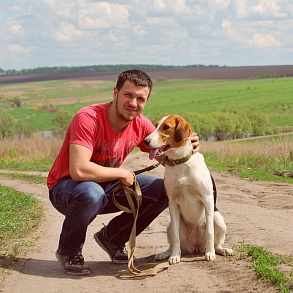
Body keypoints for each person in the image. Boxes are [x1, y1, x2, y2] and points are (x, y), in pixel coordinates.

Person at [47, 69, 200, 275]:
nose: (133, 103)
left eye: (140, 99)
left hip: (103, 186)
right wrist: (121, 173)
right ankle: (69, 251)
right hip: (66, 189)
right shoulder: (88, 118)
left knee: (162, 189)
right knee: (91, 192)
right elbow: (79, 171)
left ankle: (112, 238)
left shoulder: (140, 124)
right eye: (128, 95)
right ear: (115, 93)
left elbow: (165, 154)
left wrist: (184, 145)